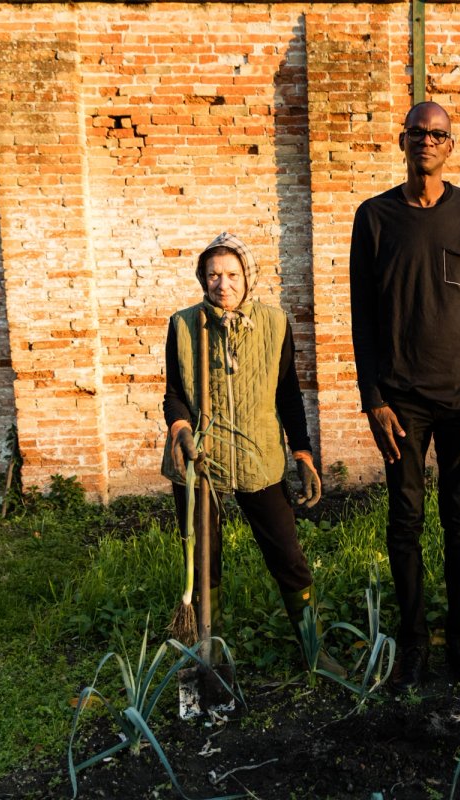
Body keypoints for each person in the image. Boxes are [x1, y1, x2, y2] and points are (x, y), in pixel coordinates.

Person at [349, 101, 460, 692]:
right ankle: (414, 643)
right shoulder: (375, 218)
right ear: (402, 140)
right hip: (401, 403)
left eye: (438, 134)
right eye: (418, 132)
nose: (428, 141)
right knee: (405, 520)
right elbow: (362, 316)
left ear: (450, 144)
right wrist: (373, 398)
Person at [162, 231, 342, 676]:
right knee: (205, 565)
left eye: (231, 274)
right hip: (200, 463)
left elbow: (288, 394)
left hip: (259, 457)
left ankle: (313, 650)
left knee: (289, 558)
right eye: (213, 275)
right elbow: (173, 394)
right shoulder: (183, 325)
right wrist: (182, 429)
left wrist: (302, 453)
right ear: (203, 279)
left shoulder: (275, 324)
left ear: (247, 277)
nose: (223, 284)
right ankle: (212, 656)